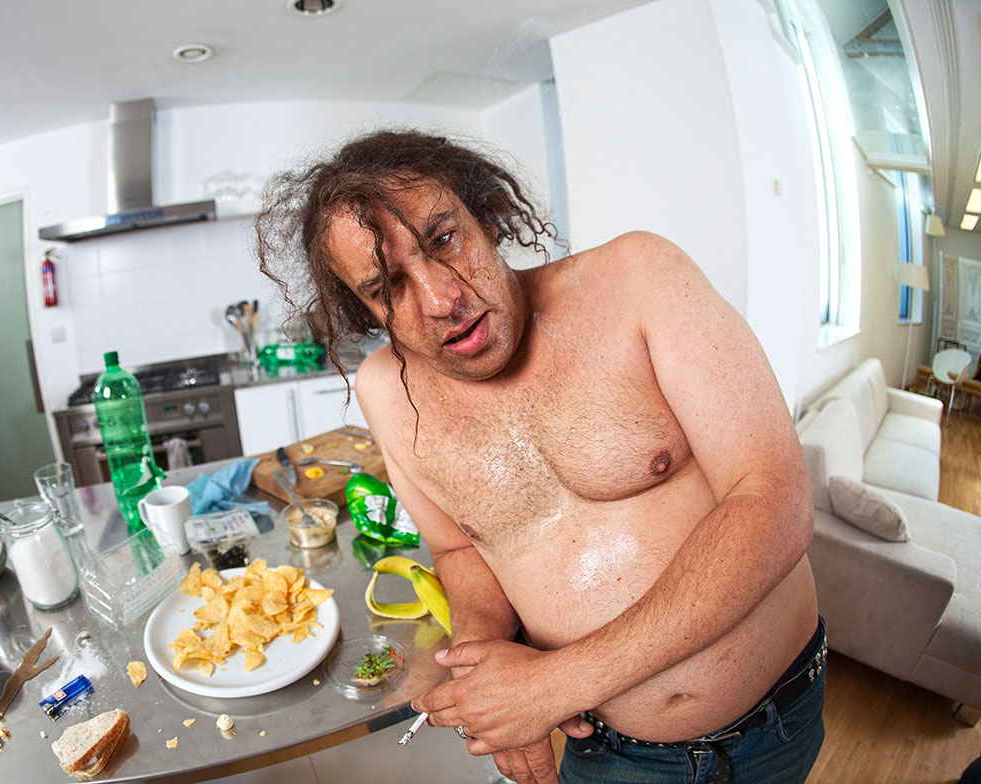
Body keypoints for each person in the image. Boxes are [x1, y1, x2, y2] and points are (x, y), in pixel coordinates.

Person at [255, 129, 824, 784]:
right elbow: (460, 549)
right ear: (362, 309)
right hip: (609, 753)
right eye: (388, 287)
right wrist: (483, 663)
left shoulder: (639, 278)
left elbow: (776, 502)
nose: (442, 301)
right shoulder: (388, 391)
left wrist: (554, 685)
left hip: (774, 725)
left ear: (485, 216)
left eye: (444, 240)